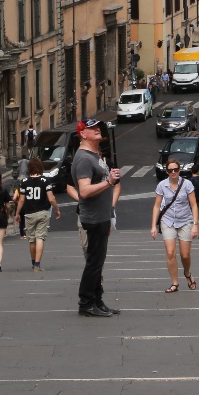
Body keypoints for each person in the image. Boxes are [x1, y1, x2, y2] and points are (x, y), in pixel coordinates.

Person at [73, 119, 122, 318]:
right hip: (93, 218)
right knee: (94, 262)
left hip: (101, 216)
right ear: (83, 134)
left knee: (98, 261)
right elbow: (84, 191)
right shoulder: (84, 158)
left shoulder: (94, 156)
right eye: (92, 128)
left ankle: (97, 301)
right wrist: (109, 182)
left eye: (98, 127)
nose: (97, 130)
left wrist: (109, 177)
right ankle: (85, 303)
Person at [151, 161, 199, 292]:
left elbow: (194, 205)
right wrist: (153, 226)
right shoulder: (162, 185)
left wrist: (195, 225)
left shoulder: (187, 184)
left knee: (185, 255)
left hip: (185, 220)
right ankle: (175, 283)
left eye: (176, 169)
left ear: (179, 170)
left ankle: (187, 273)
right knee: (170, 253)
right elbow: (156, 206)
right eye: (170, 170)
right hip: (167, 221)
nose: (173, 172)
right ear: (166, 171)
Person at [15, 158, 60, 272]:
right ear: (40, 168)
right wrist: (56, 209)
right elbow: (51, 198)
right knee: (40, 237)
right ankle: (37, 265)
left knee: (31, 239)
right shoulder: (45, 181)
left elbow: (21, 200)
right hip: (43, 212)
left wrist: (17, 213)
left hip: (29, 213)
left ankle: (32, 261)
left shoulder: (24, 182)